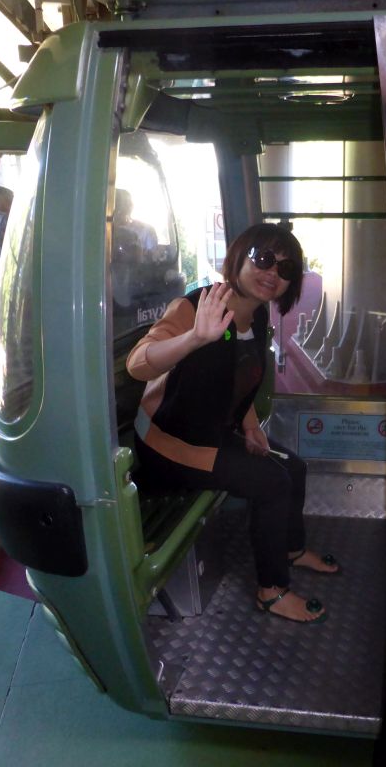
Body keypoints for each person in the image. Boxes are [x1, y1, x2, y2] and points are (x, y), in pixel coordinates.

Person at [127, 223, 338, 624]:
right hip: (168, 446)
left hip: (212, 435)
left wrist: (252, 425)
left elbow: (237, 380)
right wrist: (193, 339)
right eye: (263, 259)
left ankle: (291, 548)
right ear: (238, 258)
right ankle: (271, 591)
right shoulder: (195, 308)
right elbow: (138, 364)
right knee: (272, 482)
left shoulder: (256, 320)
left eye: (286, 269)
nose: (272, 273)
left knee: (293, 466)